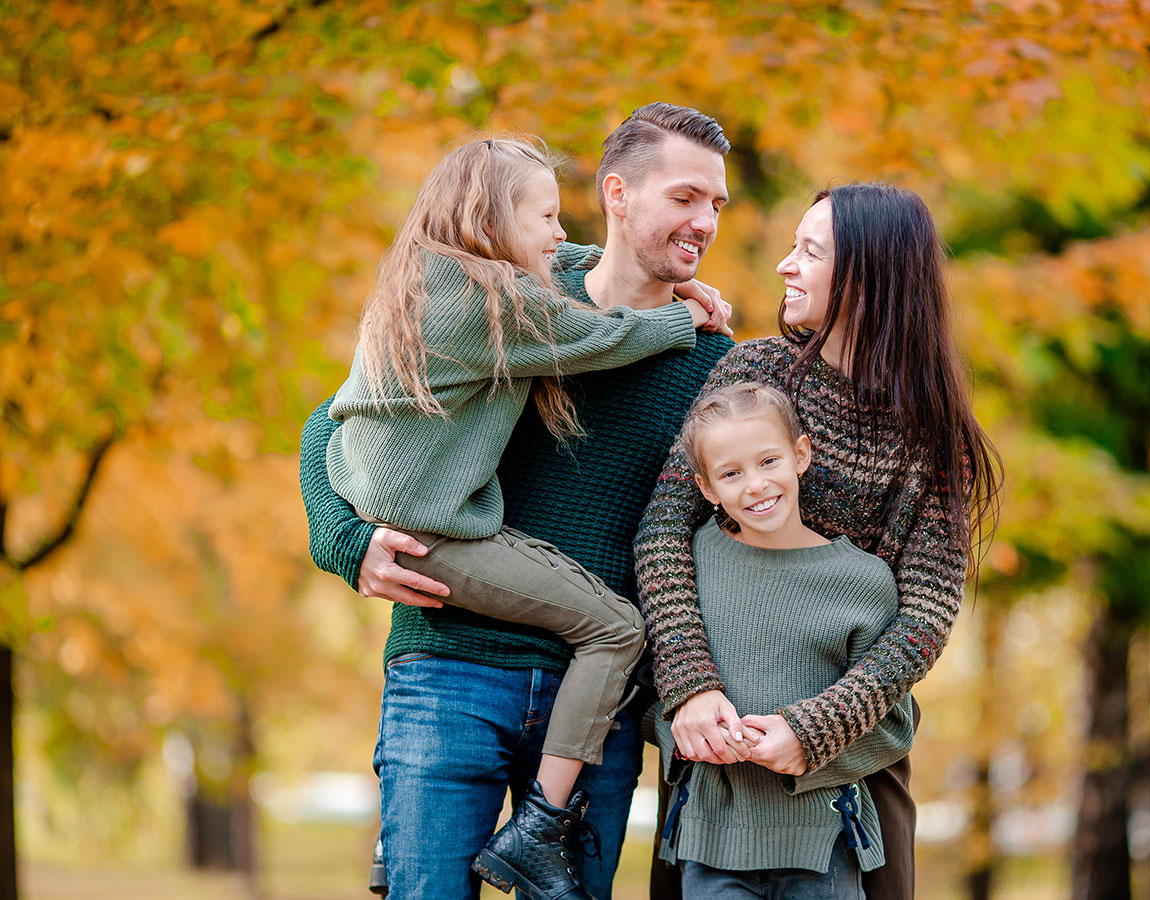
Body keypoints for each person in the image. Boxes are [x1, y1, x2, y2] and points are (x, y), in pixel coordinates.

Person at [298, 103, 735, 900]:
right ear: (617, 194)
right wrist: (344, 539)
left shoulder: (711, 359)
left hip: (592, 706)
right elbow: (338, 421)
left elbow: (714, 542)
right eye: (684, 197)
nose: (704, 220)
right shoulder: (510, 296)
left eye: (717, 203)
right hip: (447, 670)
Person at [635, 182, 1002, 900]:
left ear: (868, 277)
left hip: (855, 763)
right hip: (721, 747)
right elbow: (663, 532)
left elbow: (925, 617)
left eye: (809, 251)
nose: (785, 265)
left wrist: (820, 726)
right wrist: (689, 687)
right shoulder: (755, 372)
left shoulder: (935, 435)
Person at [653, 381, 916, 900]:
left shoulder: (863, 582)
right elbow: (655, 685)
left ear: (801, 455)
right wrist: (690, 735)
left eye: (768, 461)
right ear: (707, 489)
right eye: (731, 473)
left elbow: (893, 723)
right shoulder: (692, 564)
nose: (754, 485)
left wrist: (810, 742)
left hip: (826, 844)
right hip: (710, 845)